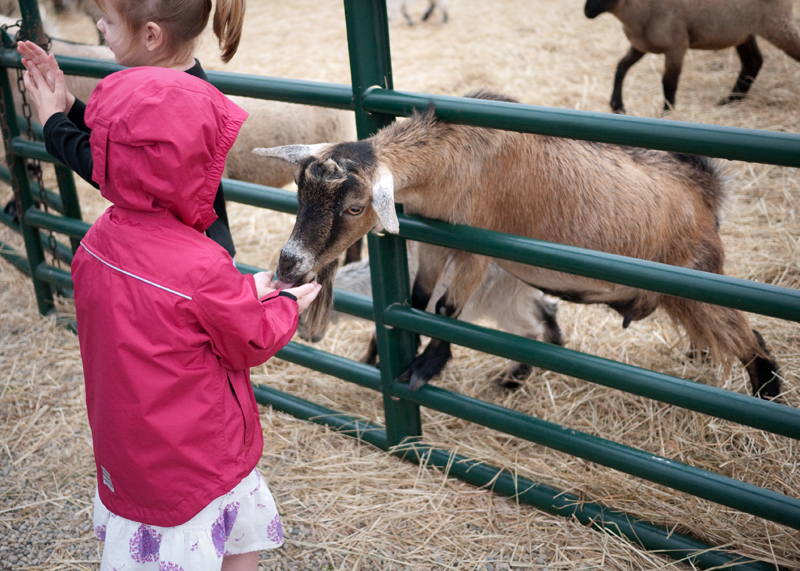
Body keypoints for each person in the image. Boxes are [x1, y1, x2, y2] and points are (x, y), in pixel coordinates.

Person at [19, 15, 322, 571]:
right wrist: (282, 305)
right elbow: (245, 340)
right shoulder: (202, 262)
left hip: (132, 458)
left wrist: (58, 118)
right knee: (233, 541)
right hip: (198, 462)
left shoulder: (96, 244)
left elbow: (164, 312)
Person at [17, 0, 245, 259]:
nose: (100, 26)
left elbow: (113, 174)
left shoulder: (165, 102)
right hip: (197, 249)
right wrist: (68, 105)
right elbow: (119, 147)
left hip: (181, 265)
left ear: (150, 35)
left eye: (109, 20)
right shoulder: (185, 86)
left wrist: (53, 122)